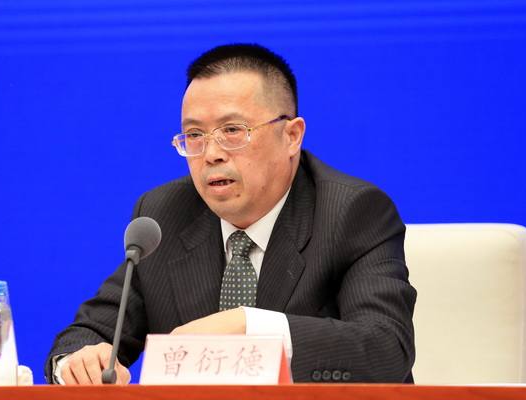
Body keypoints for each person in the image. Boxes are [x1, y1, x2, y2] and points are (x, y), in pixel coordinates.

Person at [45, 43, 416, 385]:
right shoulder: (164, 214)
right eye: (194, 135)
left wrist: (250, 326)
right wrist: (75, 363)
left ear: (291, 136)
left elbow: (386, 348)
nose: (211, 154)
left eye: (233, 130)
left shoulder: (351, 211)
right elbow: (91, 332)